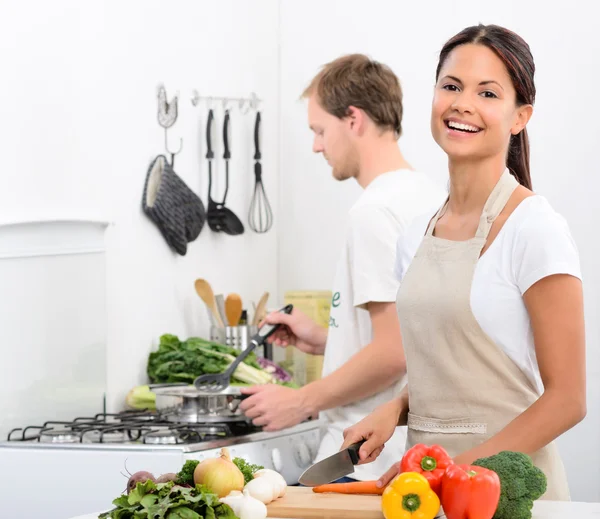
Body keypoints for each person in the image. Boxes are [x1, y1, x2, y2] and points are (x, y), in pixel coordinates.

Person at [341, 24, 586, 499]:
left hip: (506, 495)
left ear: (520, 117)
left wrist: (455, 472)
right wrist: (397, 408)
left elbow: (568, 400)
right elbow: (447, 372)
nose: (462, 103)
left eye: (487, 93)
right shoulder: (415, 234)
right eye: (450, 86)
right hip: (424, 494)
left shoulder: (535, 229)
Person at [239, 53, 447, 482]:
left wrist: (300, 401)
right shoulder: (430, 196)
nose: (317, 145)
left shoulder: (373, 212)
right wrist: (325, 340)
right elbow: (415, 333)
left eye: (319, 130)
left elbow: (393, 353)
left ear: (353, 119)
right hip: (409, 457)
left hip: (363, 456)